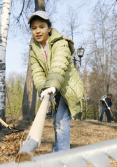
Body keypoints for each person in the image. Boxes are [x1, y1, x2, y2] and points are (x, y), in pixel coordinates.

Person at [28, 11, 84, 152]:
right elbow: (37, 72)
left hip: (67, 86)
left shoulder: (60, 42)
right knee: (56, 121)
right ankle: (60, 151)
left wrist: (51, 85)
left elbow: (58, 65)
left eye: (41, 27)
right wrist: (43, 88)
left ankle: (61, 157)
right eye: (34, 28)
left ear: (49, 27)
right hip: (52, 87)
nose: (38, 31)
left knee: (61, 121)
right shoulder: (34, 49)